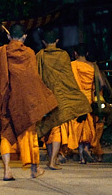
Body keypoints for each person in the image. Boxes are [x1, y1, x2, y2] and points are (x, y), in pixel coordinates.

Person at [0, 24, 58, 181]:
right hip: (24, 102)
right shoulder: (29, 53)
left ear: (8, 37)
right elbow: (33, 80)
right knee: (29, 134)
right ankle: (34, 168)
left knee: (6, 134)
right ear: (24, 37)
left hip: (5, 100)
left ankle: (7, 170)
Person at [36, 29, 92, 170]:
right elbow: (68, 79)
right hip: (60, 97)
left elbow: (36, 77)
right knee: (56, 129)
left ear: (43, 42)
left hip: (45, 96)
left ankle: (51, 158)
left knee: (49, 129)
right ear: (57, 41)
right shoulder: (63, 56)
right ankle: (52, 161)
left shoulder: (40, 56)